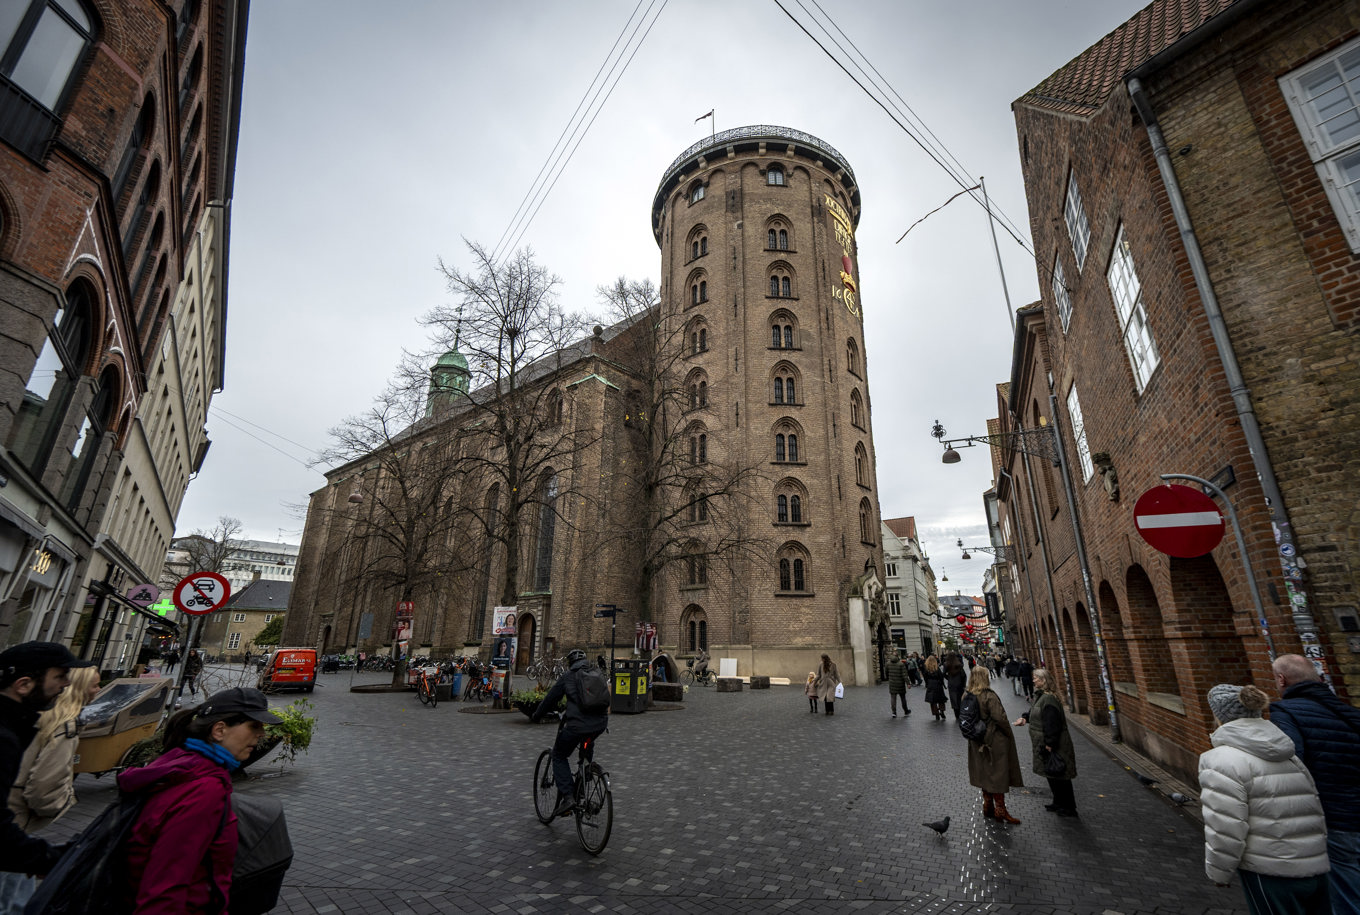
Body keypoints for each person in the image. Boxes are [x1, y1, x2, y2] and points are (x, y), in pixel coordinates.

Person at [117, 687, 281, 913]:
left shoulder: (178, 761)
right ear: (220, 730)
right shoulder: (204, 789)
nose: (261, 733)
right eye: (254, 725)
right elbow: (165, 887)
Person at [1198, 683, 1330, 913]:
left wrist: (1220, 871)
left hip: (1269, 871)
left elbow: (1225, 825)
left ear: (1219, 715)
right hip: (1315, 867)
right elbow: (1315, 808)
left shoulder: (1221, 760)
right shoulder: (1288, 754)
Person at [0, 665, 101, 912]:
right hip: (17, 822)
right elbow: (43, 791)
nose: (98, 691)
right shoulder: (66, 726)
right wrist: (64, 802)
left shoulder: (34, 716)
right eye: (94, 685)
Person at [1270, 653, 1360, 915]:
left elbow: (1291, 764)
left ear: (1281, 679)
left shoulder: (1286, 712)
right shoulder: (1349, 713)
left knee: (1346, 894)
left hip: (1334, 817)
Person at [531, 648, 609, 817]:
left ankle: (568, 797)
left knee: (559, 755)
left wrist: (537, 715)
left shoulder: (567, 677)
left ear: (570, 663)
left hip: (577, 726)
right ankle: (586, 773)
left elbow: (550, 699)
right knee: (588, 740)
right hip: (600, 724)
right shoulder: (595, 673)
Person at [1013, 668, 1078, 818]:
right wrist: (1024, 718)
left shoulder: (1048, 699)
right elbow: (1034, 712)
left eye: (1036, 678)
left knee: (1060, 775)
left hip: (1053, 743)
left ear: (1043, 681)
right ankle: (1058, 802)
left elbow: (1052, 723)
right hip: (1043, 742)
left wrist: (1050, 743)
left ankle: (1068, 807)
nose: (1033, 680)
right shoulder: (1041, 696)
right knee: (1052, 773)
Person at [965, 665, 1024, 824]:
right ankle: (1000, 810)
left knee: (984, 772)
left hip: (976, 741)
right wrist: (1007, 733)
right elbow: (1000, 718)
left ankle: (987, 805)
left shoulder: (967, 695)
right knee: (998, 774)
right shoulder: (988, 696)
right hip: (992, 740)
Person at [885, 653, 911, 718]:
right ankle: (906, 710)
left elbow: (886, 672)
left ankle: (894, 712)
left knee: (893, 698)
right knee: (903, 698)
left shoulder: (888, 663)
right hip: (900, 683)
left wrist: (889, 678)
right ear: (897, 656)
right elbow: (905, 675)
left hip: (892, 683)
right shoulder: (901, 664)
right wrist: (908, 683)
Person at [922, 655, 948, 720]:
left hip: (930, 685)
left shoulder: (926, 669)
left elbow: (925, 677)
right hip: (938, 684)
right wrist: (942, 683)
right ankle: (942, 710)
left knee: (933, 701)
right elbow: (941, 676)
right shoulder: (937, 668)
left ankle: (936, 713)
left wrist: (927, 684)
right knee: (941, 699)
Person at [944, 652, 967, 720]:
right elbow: (963, 675)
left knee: (953, 699)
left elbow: (944, 673)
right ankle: (961, 712)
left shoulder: (946, 664)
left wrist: (948, 678)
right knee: (960, 698)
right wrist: (964, 684)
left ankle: (956, 714)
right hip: (959, 682)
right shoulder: (959, 664)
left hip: (951, 683)